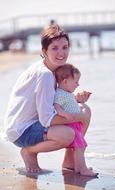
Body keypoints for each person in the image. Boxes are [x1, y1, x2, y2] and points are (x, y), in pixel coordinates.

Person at [4, 24, 92, 174]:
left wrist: (75, 101)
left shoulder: (53, 70)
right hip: (22, 130)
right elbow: (46, 119)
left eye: (65, 47)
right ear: (44, 51)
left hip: (33, 123)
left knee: (84, 109)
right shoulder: (44, 74)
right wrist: (78, 117)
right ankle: (29, 152)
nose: (61, 53)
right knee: (70, 131)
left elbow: (52, 101)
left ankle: (70, 161)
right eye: (55, 48)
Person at [54, 64, 97, 176]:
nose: (78, 84)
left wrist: (78, 99)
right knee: (80, 146)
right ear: (65, 81)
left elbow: (70, 103)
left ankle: (78, 166)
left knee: (80, 146)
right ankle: (83, 169)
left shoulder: (67, 93)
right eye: (76, 81)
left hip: (74, 125)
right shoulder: (60, 94)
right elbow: (56, 106)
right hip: (70, 125)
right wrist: (64, 114)